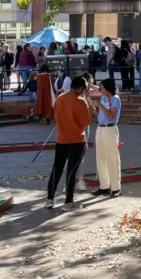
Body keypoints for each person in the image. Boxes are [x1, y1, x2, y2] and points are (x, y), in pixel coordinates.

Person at [46, 75, 93, 210]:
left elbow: (56, 117)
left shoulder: (60, 99)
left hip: (61, 139)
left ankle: (50, 199)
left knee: (57, 169)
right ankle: (68, 202)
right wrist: (89, 110)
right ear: (79, 88)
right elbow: (85, 122)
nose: (84, 92)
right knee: (71, 171)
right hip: (76, 139)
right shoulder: (80, 101)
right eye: (84, 89)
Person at [93, 78, 123, 197]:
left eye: (102, 87)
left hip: (110, 128)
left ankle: (116, 188)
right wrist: (94, 110)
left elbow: (111, 116)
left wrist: (99, 105)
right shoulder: (103, 97)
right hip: (100, 128)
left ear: (108, 88)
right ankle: (104, 186)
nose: (101, 89)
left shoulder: (115, 99)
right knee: (100, 158)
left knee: (112, 158)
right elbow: (101, 115)